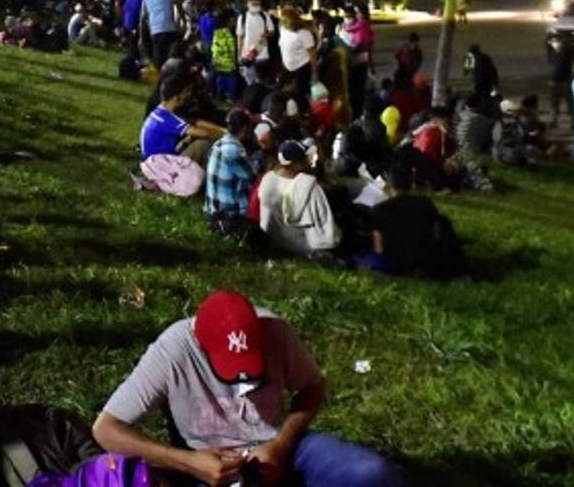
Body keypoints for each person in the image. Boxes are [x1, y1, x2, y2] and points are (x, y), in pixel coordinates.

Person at [93, 290, 402, 487]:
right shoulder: (173, 349)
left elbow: (313, 386)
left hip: (281, 449)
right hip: (209, 467)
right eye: (230, 363)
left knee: (373, 473)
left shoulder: (274, 331)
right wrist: (188, 463)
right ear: (200, 343)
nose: (242, 375)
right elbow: (106, 429)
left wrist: (281, 445)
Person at [355, 165, 467, 279]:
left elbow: (379, 249)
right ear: (411, 185)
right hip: (424, 261)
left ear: (389, 186)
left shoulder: (380, 209)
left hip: (395, 264)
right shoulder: (425, 204)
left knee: (360, 258)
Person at [257, 141, 342, 259]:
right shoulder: (309, 186)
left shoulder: (267, 179)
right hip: (304, 248)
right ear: (296, 164)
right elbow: (324, 223)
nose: (309, 159)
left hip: (272, 241)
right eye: (305, 157)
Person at [140, 74, 226, 166]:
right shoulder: (168, 118)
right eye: (185, 92)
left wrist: (223, 130)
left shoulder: (161, 112)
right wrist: (227, 136)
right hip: (164, 166)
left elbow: (194, 122)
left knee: (192, 138)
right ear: (176, 97)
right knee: (204, 144)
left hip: (155, 160)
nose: (188, 95)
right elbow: (204, 133)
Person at [204, 108, 256, 235]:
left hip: (211, 210)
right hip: (228, 216)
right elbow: (253, 179)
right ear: (244, 128)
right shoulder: (235, 151)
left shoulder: (218, 144)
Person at [141, 0, 179, 68]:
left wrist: (142, 36)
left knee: (158, 57)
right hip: (169, 27)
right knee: (171, 55)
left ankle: (159, 76)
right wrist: (182, 19)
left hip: (155, 30)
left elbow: (142, 17)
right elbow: (178, 3)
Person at [278, 6, 317, 98]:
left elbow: (312, 54)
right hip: (287, 67)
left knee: (299, 93)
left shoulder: (304, 34)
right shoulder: (283, 29)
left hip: (302, 68)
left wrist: (314, 73)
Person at [237, 0, 274, 86]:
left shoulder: (264, 15)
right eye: (253, 4)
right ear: (248, 4)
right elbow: (240, 36)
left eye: (257, 4)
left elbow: (272, 31)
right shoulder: (242, 18)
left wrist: (265, 35)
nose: (255, 6)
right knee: (250, 80)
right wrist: (239, 54)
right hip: (247, 54)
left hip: (262, 54)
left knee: (262, 80)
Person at [210, 7, 240, 101]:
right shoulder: (229, 33)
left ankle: (220, 96)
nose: (235, 23)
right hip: (228, 62)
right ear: (230, 20)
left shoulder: (217, 31)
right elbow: (232, 49)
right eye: (234, 20)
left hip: (217, 61)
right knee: (231, 80)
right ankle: (231, 97)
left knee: (220, 80)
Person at [547, 40, 574, 130]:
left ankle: (571, 122)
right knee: (558, 104)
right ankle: (555, 121)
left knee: (565, 104)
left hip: (562, 82)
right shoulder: (558, 55)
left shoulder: (564, 56)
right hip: (558, 82)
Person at [464, 44, 499, 112]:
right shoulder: (485, 57)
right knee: (485, 95)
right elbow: (492, 69)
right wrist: (495, 81)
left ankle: (483, 108)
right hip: (487, 80)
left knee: (481, 94)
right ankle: (486, 108)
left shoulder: (470, 57)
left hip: (479, 80)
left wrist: (466, 71)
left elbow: (466, 70)